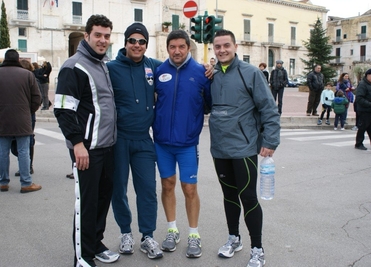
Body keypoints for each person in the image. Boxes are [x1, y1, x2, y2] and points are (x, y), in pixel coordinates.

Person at [209, 29, 280, 267]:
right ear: (213, 49)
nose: (222, 50)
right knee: (229, 196)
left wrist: (270, 141)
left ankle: (257, 249)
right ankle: (233, 238)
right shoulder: (211, 75)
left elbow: (269, 109)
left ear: (235, 46)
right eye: (217, 46)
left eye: (226, 45)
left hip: (244, 148)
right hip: (219, 149)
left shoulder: (250, 73)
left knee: (248, 198)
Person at [53, 15, 120, 266]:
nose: (103, 40)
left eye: (106, 35)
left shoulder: (101, 63)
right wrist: (77, 143)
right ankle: (82, 257)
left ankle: (95, 243)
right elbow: (63, 109)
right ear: (87, 36)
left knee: (103, 200)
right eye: (98, 35)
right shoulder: (74, 66)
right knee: (87, 203)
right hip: (86, 149)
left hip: (107, 147)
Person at [107, 22, 164, 259]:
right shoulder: (109, 68)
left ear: (146, 45)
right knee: (117, 189)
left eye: (142, 42)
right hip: (118, 140)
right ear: (125, 42)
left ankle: (148, 236)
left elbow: (179, 67)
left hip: (143, 140)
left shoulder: (154, 66)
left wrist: (206, 70)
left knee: (148, 190)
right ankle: (125, 233)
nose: (137, 45)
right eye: (133, 40)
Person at [152, 30, 211, 258]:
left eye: (181, 47)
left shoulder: (202, 73)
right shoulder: (159, 71)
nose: (177, 51)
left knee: (189, 189)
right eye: (172, 47)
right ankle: (172, 230)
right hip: (162, 143)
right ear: (167, 49)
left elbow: (209, 105)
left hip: (187, 144)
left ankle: (194, 234)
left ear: (188, 48)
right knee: (167, 185)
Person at [0, 49, 41, 194]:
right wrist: (29, 111)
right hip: (23, 118)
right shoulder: (27, 75)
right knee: (23, 151)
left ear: (4, 60)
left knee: (3, 151)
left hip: (2, 117)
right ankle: (26, 183)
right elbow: (37, 98)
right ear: (17, 59)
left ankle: (3, 182)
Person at [11, 59, 40, 176]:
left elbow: (38, 99)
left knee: (28, 140)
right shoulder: (15, 80)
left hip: (27, 113)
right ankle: (26, 164)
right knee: (18, 141)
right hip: (20, 113)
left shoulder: (33, 80)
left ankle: (28, 166)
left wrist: (30, 110)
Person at [354, 69, 371, 150]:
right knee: (363, 127)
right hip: (364, 110)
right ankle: (358, 143)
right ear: (368, 75)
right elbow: (359, 98)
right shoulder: (363, 84)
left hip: (369, 110)